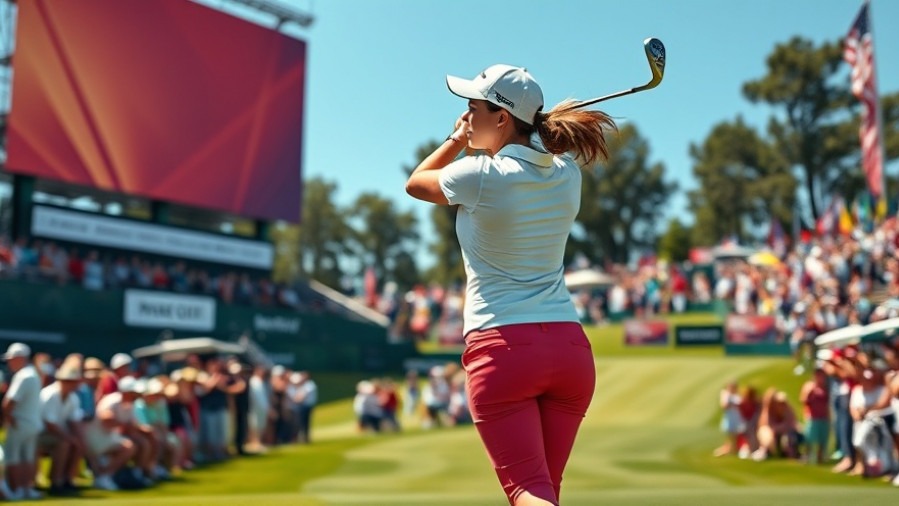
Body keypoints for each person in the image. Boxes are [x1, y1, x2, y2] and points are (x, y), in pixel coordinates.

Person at [405, 64, 613, 505]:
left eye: (472, 108)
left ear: (501, 118)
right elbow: (546, 151)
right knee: (544, 492)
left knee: (527, 492)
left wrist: (456, 141)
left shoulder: (478, 174)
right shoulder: (566, 175)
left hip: (503, 351)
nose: (465, 115)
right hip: (569, 351)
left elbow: (415, 183)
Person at [1, 343, 44, 500]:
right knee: (27, 458)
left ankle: (18, 490)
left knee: (14, 457)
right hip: (32, 424)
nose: (9, 363)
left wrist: (8, 418)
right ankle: (27, 489)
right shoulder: (33, 373)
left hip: (20, 423)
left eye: (12, 359)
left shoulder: (23, 375)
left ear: (20, 358)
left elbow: (9, 402)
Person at [800, 368, 831, 465]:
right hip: (812, 417)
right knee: (809, 438)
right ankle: (807, 456)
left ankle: (820, 458)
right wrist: (809, 392)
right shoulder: (809, 386)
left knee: (822, 439)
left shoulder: (826, 387)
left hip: (824, 416)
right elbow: (803, 400)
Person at [714, 381, 745, 457]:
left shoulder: (737, 396)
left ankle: (732, 450)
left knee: (734, 437)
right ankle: (730, 451)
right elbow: (724, 406)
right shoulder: (726, 395)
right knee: (731, 437)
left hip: (737, 418)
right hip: (730, 419)